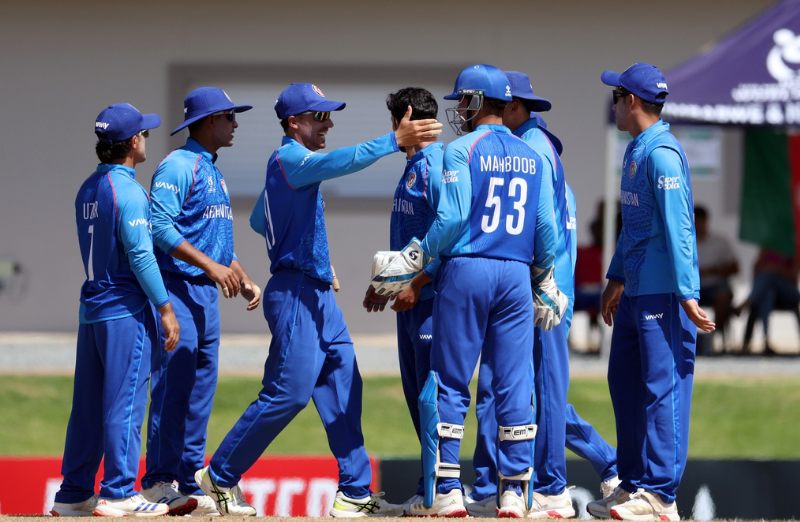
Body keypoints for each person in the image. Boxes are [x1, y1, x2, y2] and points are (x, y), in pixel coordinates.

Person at [194, 82, 442, 517]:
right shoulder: (290, 158)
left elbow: (260, 219)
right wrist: (393, 141)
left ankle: (355, 492)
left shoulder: (292, 168)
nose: (329, 124)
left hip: (317, 292)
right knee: (287, 393)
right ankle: (220, 475)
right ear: (294, 123)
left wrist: (315, 258)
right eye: (320, 117)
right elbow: (338, 162)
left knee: (345, 384)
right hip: (296, 292)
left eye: (330, 116)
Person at [390, 64, 563, 518]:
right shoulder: (531, 153)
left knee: (449, 380)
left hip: (467, 268)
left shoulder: (460, 150)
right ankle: (514, 491)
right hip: (516, 274)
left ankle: (447, 489)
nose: (460, 109)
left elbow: (450, 219)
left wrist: (418, 258)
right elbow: (547, 229)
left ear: (477, 101)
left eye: (463, 100)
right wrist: (542, 277)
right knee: (514, 382)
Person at [465, 72, 618, 519]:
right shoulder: (536, 148)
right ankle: (598, 466)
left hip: (540, 292)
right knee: (520, 390)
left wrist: (540, 283)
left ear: (514, 107)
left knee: (538, 392)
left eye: (495, 106)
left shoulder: (529, 150)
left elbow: (542, 231)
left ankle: (552, 486)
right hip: (535, 288)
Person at [588, 63, 714, 522]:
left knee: (663, 390)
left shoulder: (662, 154)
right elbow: (634, 225)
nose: (613, 105)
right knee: (623, 382)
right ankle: (633, 484)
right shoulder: (636, 149)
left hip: (664, 293)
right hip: (636, 289)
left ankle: (661, 496)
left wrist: (688, 293)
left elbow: (680, 227)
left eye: (616, 96)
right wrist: (616, 278)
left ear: (632, 101)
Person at [51, 104, 180, 517]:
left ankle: (73, 494)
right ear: (132, 142)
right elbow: (141, 255)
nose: (146, 140)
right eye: (144, 134)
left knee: (88, 408)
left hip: (92, 309)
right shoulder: (128, 190)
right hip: (124, 310)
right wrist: (165, 307)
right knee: (125, 404)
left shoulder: (87, 188)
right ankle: (120, 491)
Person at [141, 87, 262, 516]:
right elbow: (159, 226)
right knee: (173, 387)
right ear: (209, 121)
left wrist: (239, 275)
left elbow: (214, 239)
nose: (235, 124)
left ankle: (190, 481)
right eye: (229, 117)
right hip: (178, 288)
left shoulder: (212, 169)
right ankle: (158, 482)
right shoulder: (178, 165)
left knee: (200, 394)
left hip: (206, 296)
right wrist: (212, 267)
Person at [361, 87, 444, 509]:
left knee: (433, 398)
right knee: (416, 399)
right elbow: (411, 241)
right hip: (407, 302)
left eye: (394, 121)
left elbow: (451, 236)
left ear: (404, 118)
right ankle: (428, 486)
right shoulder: (411, 167)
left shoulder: (438, 166)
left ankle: (444, 488)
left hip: (431, 302)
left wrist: (418, 285)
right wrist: (385, 283)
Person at [737, 248, 800, 354]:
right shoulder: (767, 248)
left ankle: (746, 303)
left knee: (770, 276)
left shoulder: (793, 249)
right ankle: (766, 339)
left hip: (789, 293)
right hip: (771, 293)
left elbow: (794, 275)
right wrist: (762, 261)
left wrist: (777, 269)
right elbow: (756, 273)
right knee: (768, 294)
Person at [695, 205, 738, 345]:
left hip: (715, 286)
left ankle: (713, 336)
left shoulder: (719, 242)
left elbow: (735, 267)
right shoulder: (685, 242)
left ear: (706, 221)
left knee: (723, 297)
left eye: (700, 220)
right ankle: (686, 337)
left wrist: (712, 271)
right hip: (692, 287)